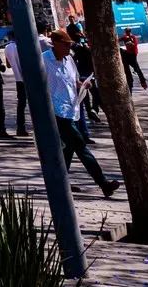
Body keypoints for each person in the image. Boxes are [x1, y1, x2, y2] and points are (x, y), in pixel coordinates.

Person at [45, 31, 120, 198]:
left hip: (73, 110)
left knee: (69, 149)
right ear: (55, 42)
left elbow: (74, 81)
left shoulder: (69, 59)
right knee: (81, 146)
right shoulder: (44, 60)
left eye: (70, 44)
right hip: (58, 113)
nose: (69, 47)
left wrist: (84, 85)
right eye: (66, 44)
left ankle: (60, 180)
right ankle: (103, 183)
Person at [2, 30, 30, 137]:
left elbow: (8, 65)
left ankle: (20, 127)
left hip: (18, 80)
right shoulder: (22, 46)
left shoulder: (7, 48)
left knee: (21, 104)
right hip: (28, 79)